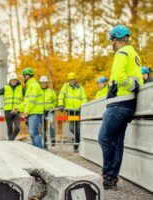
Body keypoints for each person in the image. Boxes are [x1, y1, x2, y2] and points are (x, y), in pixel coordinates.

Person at [98, 25, 143, 190]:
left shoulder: (122, 52)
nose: (112, 43)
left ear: (115, 39)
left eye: (112, 40)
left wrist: (129, 85)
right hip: (128, 104)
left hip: (119, 102)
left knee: (103, 138)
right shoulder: (135, 54)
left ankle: (107, 173)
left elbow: (118, 76)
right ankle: (111, 179)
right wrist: (134, 85)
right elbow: (138, 79)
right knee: (117, 142)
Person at [13, 67, 44, 148]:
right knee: (32, 133)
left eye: (23, 76)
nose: (23, 78)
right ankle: (36, 150)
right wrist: (18, 108)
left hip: (35, 112)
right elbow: (26, 102)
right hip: (32, 111)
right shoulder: (29, 86)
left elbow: (32, 100)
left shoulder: (34, 85)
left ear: (27, 76)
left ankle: (40, 151)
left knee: (33, 132)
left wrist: (26, 111)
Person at [58, 72, 87, 152]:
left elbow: (84, 98)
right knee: (71, 128)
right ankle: (78, 140)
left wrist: (83, 106)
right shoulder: (65, 86)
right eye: (70, 80)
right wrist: (61, 104)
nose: (71, 81)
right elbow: (61, 95)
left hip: (78, 111)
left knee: (78, 128)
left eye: (73, 80)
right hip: (70, 111)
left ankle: (76, 146)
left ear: (75, 79)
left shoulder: (81, 88)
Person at [0, 72, 24, 140]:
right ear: (10, 80)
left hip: (16, 111)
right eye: (12, 80)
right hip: (7, 111)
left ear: (16, 80)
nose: (13, 81)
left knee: (17, 128)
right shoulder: (6, 88)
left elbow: (28, 97)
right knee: (10, 128)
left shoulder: (21, 88)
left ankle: (10, 140)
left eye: (14, 80)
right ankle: (11, 143)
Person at [39, 76, 57, 147]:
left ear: (46, 83)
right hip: (41, 111)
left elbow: (55, 102)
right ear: (40, 83)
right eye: (42, 83)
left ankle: (52, 138)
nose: (43, 84)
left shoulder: (51, 92)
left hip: (50, 111)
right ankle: (45, 142)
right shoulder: (38, 92)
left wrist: (52, 107)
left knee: (51, 125)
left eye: (44, 83)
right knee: (43, 127)